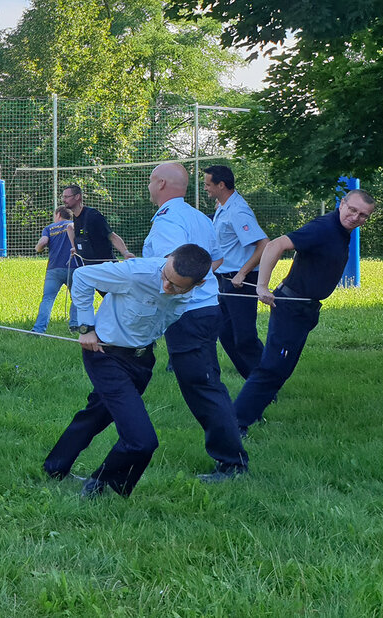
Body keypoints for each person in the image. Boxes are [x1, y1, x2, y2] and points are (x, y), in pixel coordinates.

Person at [43, 244, 212, 498]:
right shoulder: (137, 273)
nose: (167, 287)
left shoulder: (187, 291)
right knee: (142, 440)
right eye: (166, 277)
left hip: (142, 361)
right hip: (105, 355)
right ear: (167, 261)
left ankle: (55, 468)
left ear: (196, 285)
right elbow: (82, 276)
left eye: (176, 286)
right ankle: (101, 487)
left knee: (97, 414)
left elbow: (165, 318)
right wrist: (86, 327)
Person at [234, 190, 377, 434]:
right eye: (352, 209)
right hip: (292, 307)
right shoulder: (323, 228)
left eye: (363, 215)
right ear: (342, 204)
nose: (355, 217)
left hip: (305, 309)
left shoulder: (341, 231)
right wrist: (261, 285)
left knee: (282, 369)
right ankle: (235, 424)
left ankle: (249, 415)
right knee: (272, 368)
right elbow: (274, 245)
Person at [142, 163, 248, 482]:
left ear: (161, 183)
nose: (148, 186)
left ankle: (232, 464)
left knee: (202, 387)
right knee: (208, 382)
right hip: (206, 310)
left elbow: (170, 269)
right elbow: (215, 260)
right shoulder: (199, 217)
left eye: (150, 180)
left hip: (187, 313)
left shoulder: (168, 219)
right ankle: (232, 455)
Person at [203, 165, 269, 378]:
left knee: (245, 337)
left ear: (221, 185)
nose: (205, 188)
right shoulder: (223, 206)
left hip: (240, 280)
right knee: (226, 334)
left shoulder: (238, 211)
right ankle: (252, 380)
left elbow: (264, 244)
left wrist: (242, 273)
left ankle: (266, 384)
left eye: (208, 184)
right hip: (223, 278)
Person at [32, 206, 78, 333]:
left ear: (58, 214)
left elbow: (42, 243)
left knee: (48, 299)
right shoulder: (75, 225)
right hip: (74, 267)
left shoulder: (49, 228)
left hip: (54, 269)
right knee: (77, 298)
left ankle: (38, 329)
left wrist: (37, 249)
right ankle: (74, 326)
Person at [63, 184, 134, 264]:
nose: (64, 200)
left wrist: (125, 253)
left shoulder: (93, 215)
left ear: (77, 197)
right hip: (90, 267)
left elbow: (112, 236)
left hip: (106, 266)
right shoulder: (76, 217)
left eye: (66, 197)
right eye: (63, 197)